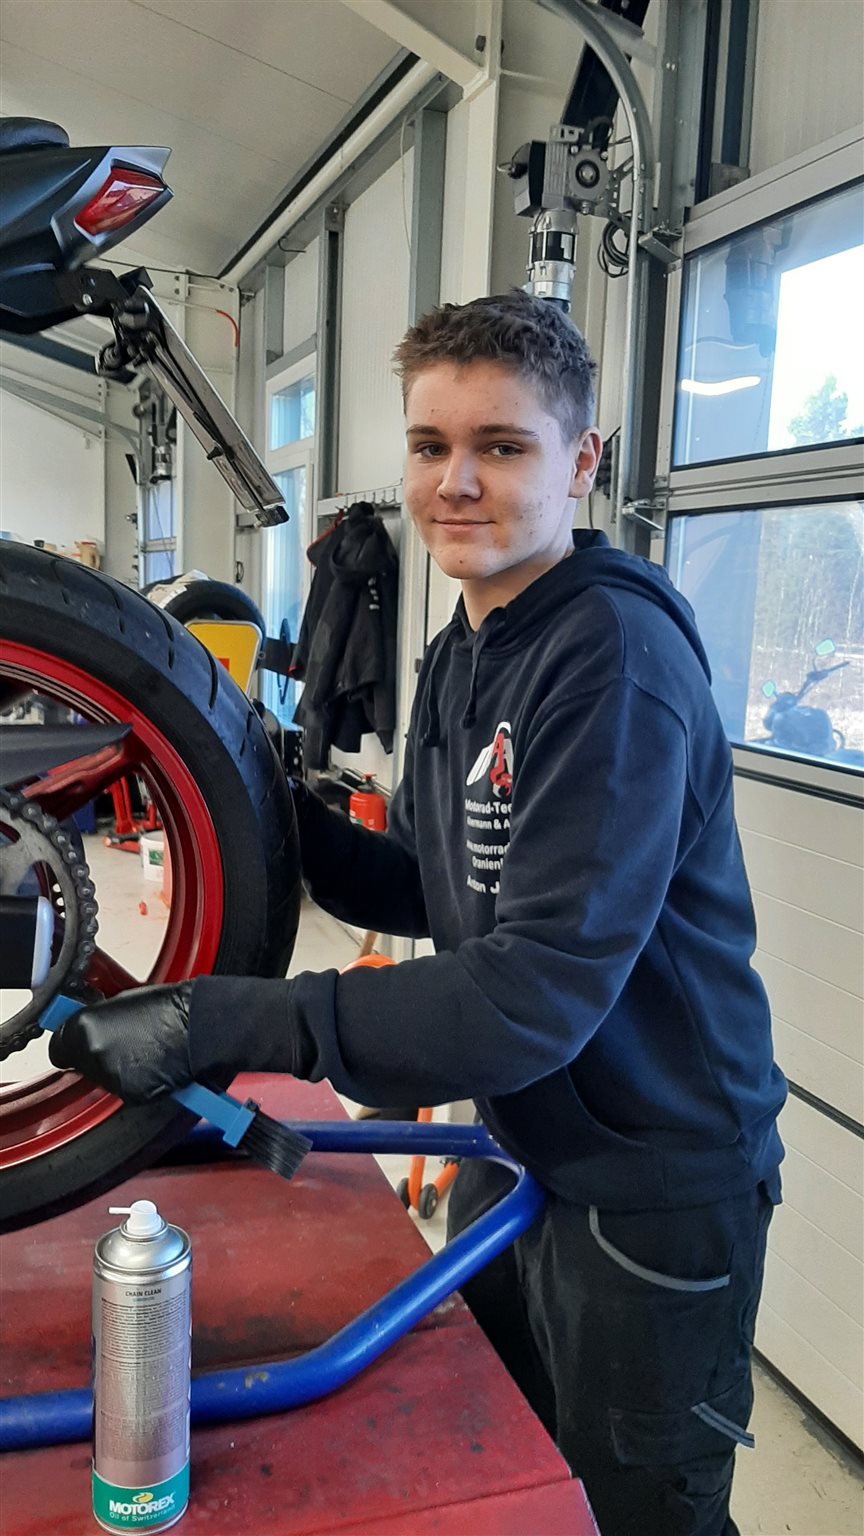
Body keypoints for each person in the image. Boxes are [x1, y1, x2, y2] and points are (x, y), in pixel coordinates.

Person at [50, 290, 786, 1536]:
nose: (456, 481)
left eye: (502, 446)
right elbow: (429, 886)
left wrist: (221, 1022)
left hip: (651, 1187)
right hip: (524, 1148)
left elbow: (531, 994)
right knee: (508, 1468)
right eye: (431, 445)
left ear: (582, 462)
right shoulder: (466, 641)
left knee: (639, 1511)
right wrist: (251, 793)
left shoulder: (611, 660)